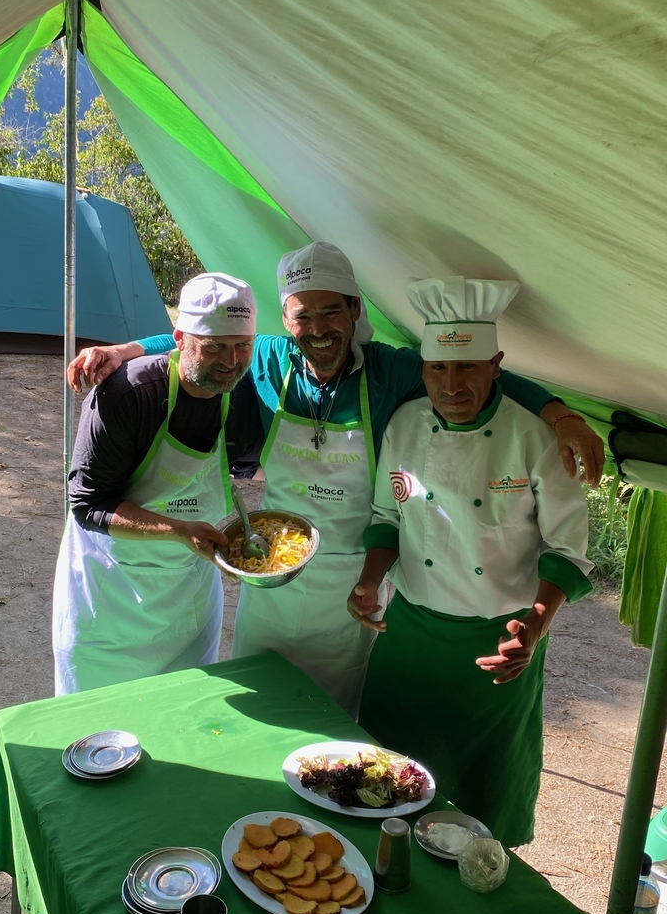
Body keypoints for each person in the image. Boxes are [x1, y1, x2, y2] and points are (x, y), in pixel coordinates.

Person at [67, 243, 604, 715]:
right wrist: (127, 350)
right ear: (286, 319)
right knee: (262, 700)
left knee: (333, 714)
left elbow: (476, 366)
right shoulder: (268, 359)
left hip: (350, 584)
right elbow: (198, 337)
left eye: (331, 311)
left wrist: (559, 415)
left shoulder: (390, 371)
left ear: (355, 310)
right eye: (303, 315)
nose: (319, 329)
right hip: (270, 575)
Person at [347, 275, 594, 846]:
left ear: (496, 366)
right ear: (423, 369)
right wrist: (369, 580)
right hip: (409, 635)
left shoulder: (534, 437)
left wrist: (533, 628)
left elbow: (567, 550)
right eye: (438, 368)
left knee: (484, 791)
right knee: (387, 777)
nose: (452, 384)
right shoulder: (405, 424)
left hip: (498, 641)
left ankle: (482, 870)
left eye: (468, 368)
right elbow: (387, 516)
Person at [53, 273, 262, 694]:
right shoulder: (128, 394)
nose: (230, 361)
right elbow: (88, 504)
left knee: (182, 707)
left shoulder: (240, 395)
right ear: (180, 339)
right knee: (96, 716)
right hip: (110, 594)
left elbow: (243, 467)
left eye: (242, 345)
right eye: (214, 346)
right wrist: (179, 530)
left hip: (187, 597)